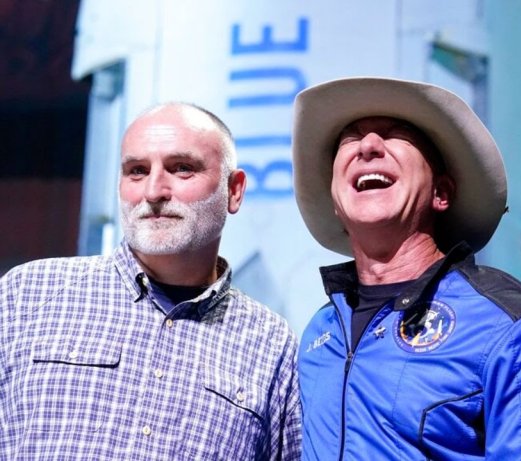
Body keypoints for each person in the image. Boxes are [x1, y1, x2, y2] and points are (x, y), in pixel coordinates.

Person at [291, 76, 521, 460]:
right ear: (336, 203)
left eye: (396, 134)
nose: (368, 145)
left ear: (441, 193)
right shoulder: (321, 331)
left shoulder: (511, 324)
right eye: (351, 138)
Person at [0, 102, 302, 460]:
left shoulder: (271, 345)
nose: (154, 191)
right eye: (137, 171)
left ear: (233, 191)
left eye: (182, 169)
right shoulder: (29, 294)